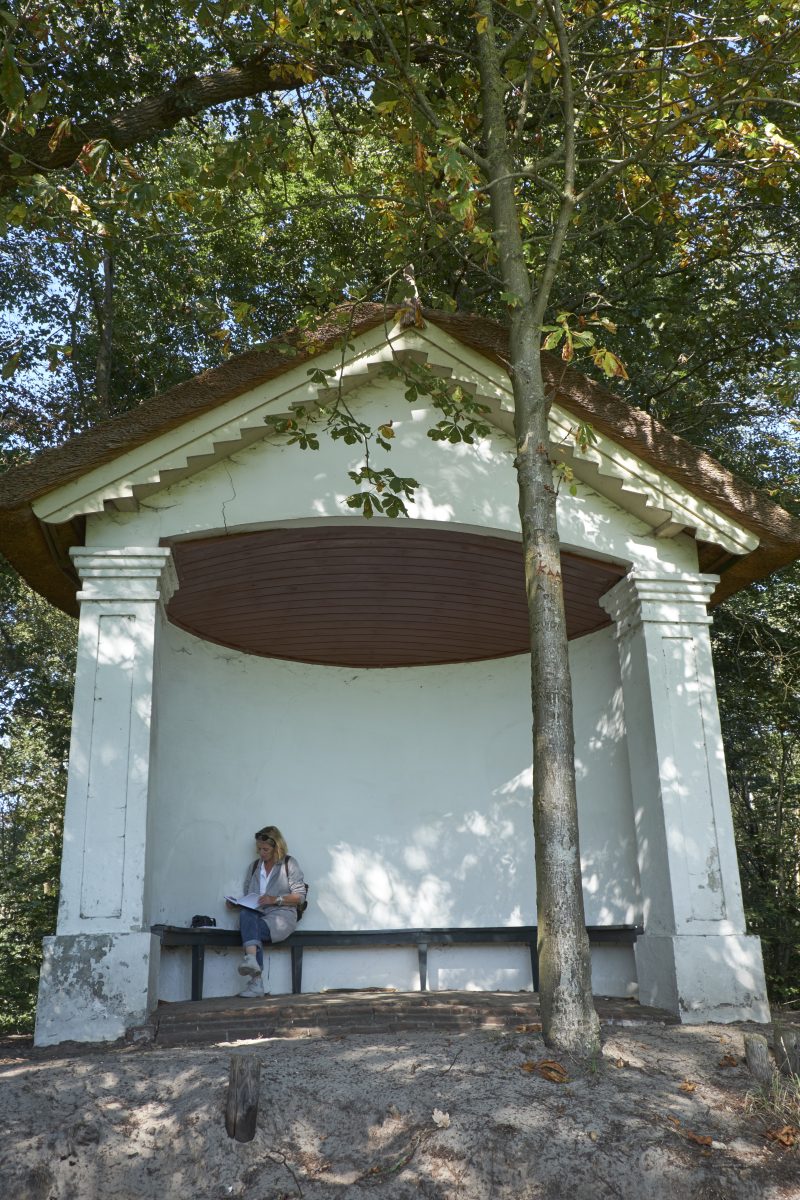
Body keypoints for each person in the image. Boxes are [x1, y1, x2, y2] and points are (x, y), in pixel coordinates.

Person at [226, 825, 308, 998]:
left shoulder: (289, 863)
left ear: (276, 847)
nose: (261, 853)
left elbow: (300, 896)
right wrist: (236, 904)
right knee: (246, 915)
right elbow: (251, 897)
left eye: (265, 849)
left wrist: (275, 899)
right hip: (257, 915)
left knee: (251, 929)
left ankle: (256, 979)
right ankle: (252, 962)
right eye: (259, 849)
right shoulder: (254, 867)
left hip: (281, 916)